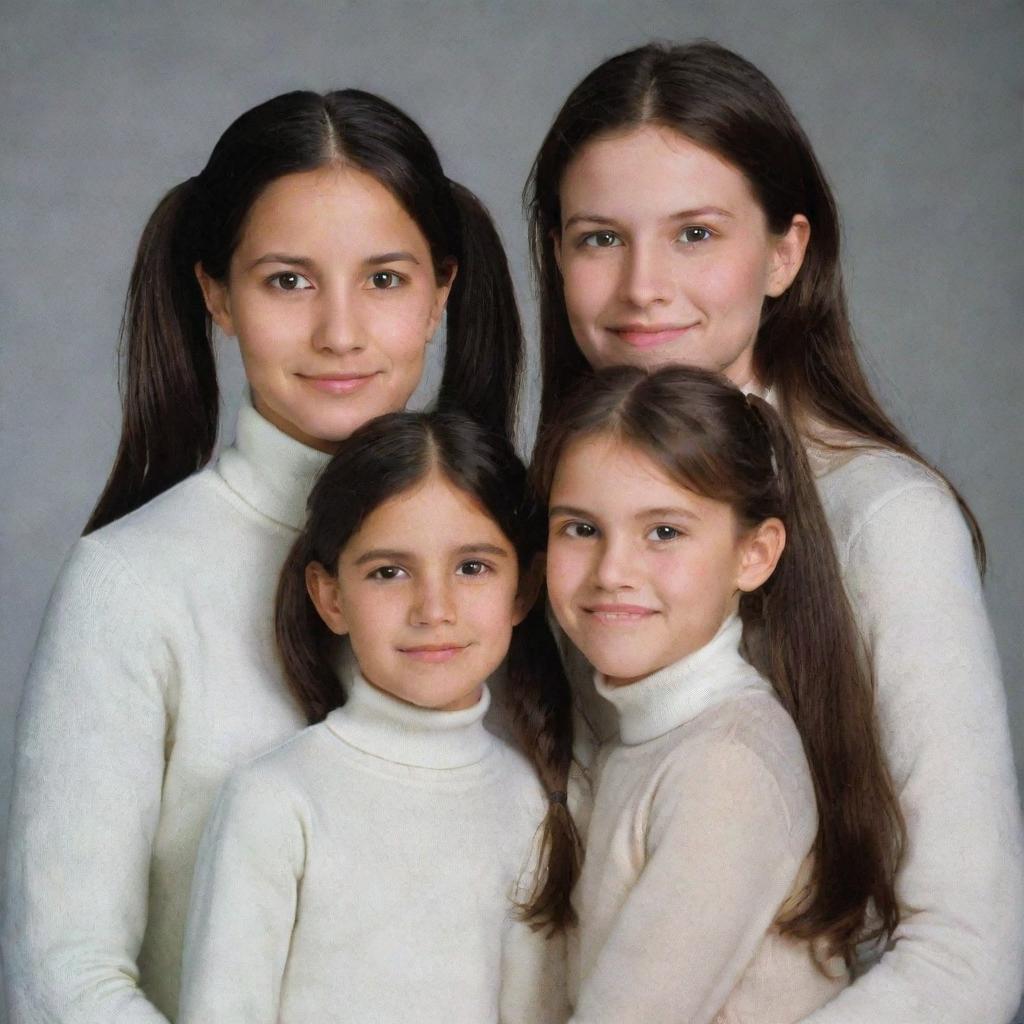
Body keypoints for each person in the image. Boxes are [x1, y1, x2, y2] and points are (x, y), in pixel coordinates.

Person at [526, 40, 1024, 1023]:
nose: (642, 287)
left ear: (786, 253)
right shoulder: (555, 519)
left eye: (696, 234)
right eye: (598, 239)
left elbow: (968, 953)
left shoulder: (883, 517)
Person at [4, 88, 523, 1023]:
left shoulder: (520, 564)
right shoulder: (134, 583)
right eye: (288, 280)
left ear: (443, 291)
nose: (339, 331)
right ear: (217, 295)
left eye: (386, 279)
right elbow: (61, 975)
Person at [177, 409, 577, 1023]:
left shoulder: (527, 802)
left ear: (522, 589)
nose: (433, 608)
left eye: (472, 568)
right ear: (331, 596)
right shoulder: (277, 801)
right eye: (390, 572)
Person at [534, 364, 903, 1023]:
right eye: (581, 529)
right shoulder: (647, 738)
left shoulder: (725, 765)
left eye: (664, 532)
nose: (612, 572)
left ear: (753, 555)